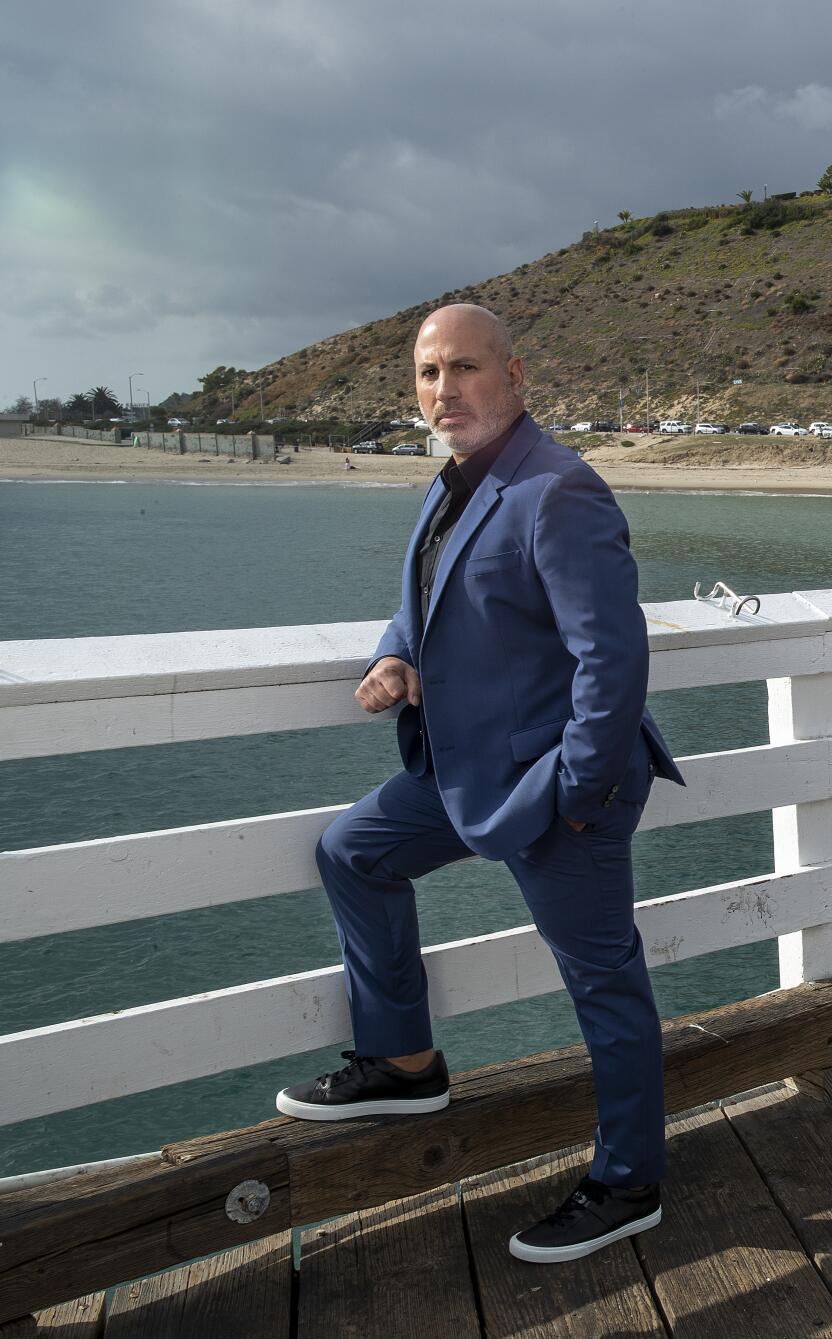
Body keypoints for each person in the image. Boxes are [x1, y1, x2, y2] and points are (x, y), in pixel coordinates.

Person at [275, 303, 683, 1265]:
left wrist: (575, 795)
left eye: (463, 368)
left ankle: (630, 1180)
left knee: (603, 984)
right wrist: (393, 657)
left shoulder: (558, 490)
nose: (443, 389)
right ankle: (407, 1062)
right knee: (355, 851)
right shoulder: (455, 481)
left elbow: (612, 662)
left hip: (558, 790)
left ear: (514, 374)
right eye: (427, 372)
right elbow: (420, 599)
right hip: (466, 771)